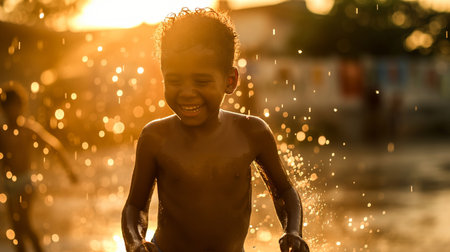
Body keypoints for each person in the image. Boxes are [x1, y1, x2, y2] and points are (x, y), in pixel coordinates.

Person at [122, 8, 309, 252]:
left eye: (201, 81)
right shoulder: (155, 137)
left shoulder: (252, 133)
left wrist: (293, 232)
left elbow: (284, 192)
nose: (187, 92)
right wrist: (136, 243)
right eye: (175, 80)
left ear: (230, 81)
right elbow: (135, 207)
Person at [0, 81, 77, 252]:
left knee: (24, 224)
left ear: (22, 106)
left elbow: (54, 146)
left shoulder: (28, 129)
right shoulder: (2, 133)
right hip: (9, 185)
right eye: (8, 108)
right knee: (16, 229)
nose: (12, 112)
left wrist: (69, 170)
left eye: (16, 107)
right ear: (3, 109)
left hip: (26, 183)